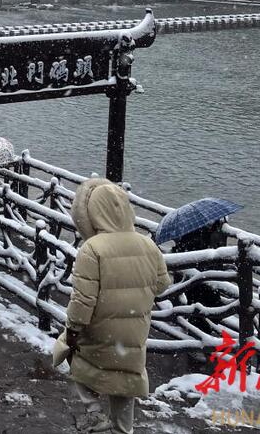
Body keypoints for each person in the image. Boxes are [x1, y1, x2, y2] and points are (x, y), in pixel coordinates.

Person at [60, 179, 171, 434]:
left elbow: (83, 298)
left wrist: (73, 329)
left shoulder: (93, 248)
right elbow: (162, 284)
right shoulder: (147, 245)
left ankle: (94, 413)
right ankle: (123, 429)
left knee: (75, 359)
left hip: (100, 327)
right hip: (134, 329)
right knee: (125, 377)